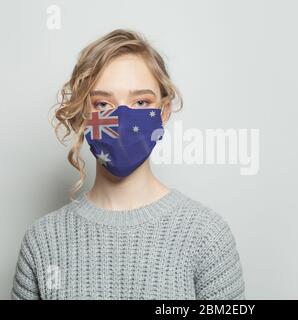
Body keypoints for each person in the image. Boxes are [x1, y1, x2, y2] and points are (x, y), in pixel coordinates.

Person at [10, 29, 246, 300]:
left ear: (163, 111)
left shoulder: (207, 236)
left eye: (141, 102)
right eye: (102, 103)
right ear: (82, 114)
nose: (122, 117)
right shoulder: (42, 241)